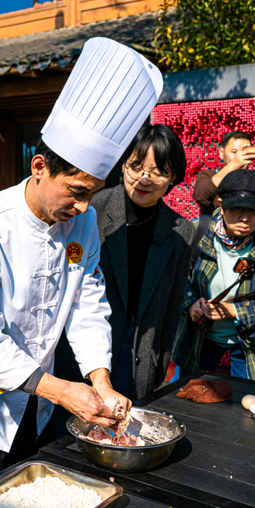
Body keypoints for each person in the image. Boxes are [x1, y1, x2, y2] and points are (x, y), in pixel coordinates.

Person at [0, 36, 163, 492]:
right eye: (76, 192)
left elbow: (85, 303)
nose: (83, 208)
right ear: (39, 166)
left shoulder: (84, 221)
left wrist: (99, 380)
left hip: (41, 397)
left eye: (92, 194)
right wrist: (61, 390)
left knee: (34, 500)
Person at [55, 123, 193, 404]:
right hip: (86, 336)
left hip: (141, 343)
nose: (144, 179)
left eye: (158, 172)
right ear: (122, 166)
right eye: (136, 166)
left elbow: (172, 306)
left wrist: (160, 360)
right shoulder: (91, 209)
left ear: (173, 177)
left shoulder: (181, 230)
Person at [174, 170, 255, 382]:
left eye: (253, 211)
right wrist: (191, 303)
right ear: (220, 203)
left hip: (253, 342)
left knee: (248, 404)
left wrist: (235, 311)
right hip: (199, 338)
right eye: (237, 209)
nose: (244, 218)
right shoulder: (198, 231)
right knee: (184, 395)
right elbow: (177, 277)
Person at [193, 130, 255, 216]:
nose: (239, 157)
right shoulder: (209, 175)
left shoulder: (254, 179)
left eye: (245, 152)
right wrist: (233, 165)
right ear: (221, 152)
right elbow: (201, 196)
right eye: (234, 152)